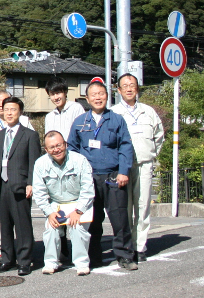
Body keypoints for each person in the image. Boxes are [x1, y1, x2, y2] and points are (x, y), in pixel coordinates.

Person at [68, 80, 137, 271]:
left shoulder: (116, 119)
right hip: (89, 178)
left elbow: (125, 146)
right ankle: (93, 257)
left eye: (101, 94)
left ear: (107, 96)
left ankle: (125, 256)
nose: (98, 97)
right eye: (94, 95)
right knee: (92, 220)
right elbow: (71, 148)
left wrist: (124, 171)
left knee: (120, 219)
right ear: (88, 99)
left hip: (113, 176)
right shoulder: (80, 121)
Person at [109, 73, 164, 262]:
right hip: (122, 169)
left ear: (137, 88)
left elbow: (159, 136)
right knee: (124, 208)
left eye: (132, 85)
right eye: (125, 85)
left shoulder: (149, 111)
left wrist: (151, 154)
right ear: (119, 90)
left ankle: (140, 246)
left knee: (142, 206)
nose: (129, 88)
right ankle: (127, 246)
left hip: (144, 164)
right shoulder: (113, 113)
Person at [0, 97, 41, 276]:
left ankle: (25, 261)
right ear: (1, 111)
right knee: (5, 225)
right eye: (6, 109)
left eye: (13, 109)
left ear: (20, 112)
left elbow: (34, 162)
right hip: (1, 185)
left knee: (23, 224)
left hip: (20, 185)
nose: (9, 113)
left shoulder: (29, 135)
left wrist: (31, 183)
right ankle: (7, 259)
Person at [32, 130, 95, 276]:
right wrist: (49, 213)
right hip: (56, 204)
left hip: (78, 202)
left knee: (77, 227)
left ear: (65, 144)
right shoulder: (40, 164)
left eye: (59, 145)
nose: (56, 149)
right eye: (52, 147)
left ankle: (82, 263)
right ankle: (51, 263)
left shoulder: (80, 160)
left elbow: (88, 189)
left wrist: (78, 210)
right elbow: (40, 193)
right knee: (51, 228)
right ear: (46, 149)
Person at [42, 78, 84, 262]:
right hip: (55, 164)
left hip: (73, 162)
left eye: (59, 92)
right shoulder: (49, 116)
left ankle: (77, 248)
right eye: (53, 94)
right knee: (57, 203)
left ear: (65, 92)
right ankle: (62, 244)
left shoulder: (77, 109)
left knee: (73, 201)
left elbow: (81, 136)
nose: (56, 96)